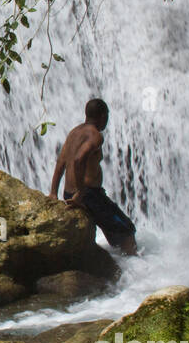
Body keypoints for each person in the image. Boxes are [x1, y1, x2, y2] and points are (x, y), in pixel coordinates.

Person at [49, 98, 139, 255]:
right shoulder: (95, 135)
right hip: (88, 195)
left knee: (114, 230)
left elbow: (61, 162)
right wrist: (81, 193)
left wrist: (53, 192)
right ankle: (138, 271)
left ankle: (121, 265)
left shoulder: (73, 133)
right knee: (127, 231)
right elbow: (79, 159)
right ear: (103, 116)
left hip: (69, 193)